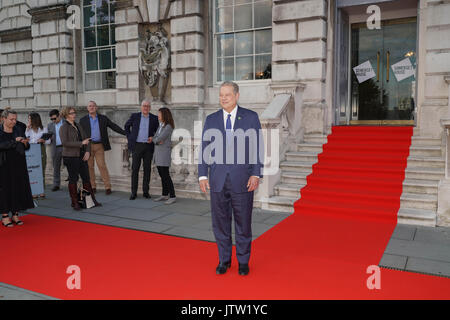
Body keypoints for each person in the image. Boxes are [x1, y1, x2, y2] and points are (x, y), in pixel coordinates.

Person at [198, 81, 263, 276]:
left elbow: (257, 147)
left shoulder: (251, 117)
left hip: (242, 180)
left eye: (227, 94)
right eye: (221, 95)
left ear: (237, 96)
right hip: (217, 181)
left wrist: (255, 173)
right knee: (220, 223)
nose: (223, 98)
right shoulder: (211, 119)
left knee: (243, 222)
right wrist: (202, 174)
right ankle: (224, 260)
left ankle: (243, 261)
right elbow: (204, 149)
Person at [80, 101, 126, 195]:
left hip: (99, 146)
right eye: (90, 106)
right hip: (88, 146)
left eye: (93, 106)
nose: (92, 107)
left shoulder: (103, 118)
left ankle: (107, 187)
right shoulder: (83, 120)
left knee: (102, 165)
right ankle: (92, 186)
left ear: (96, 108)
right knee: (89, 167)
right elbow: (80, 134)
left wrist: (126, 133)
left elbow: (113, 126)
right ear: (87, 108)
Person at [59, 107, 101, 210]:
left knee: (86, 178)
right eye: (71, 113)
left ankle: (92, 200)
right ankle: (75, 202)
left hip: (82, 156)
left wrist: (87, 151)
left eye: (74, 112)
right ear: (66, 115)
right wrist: (81, 143)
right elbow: (65, 143)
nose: (74, 114)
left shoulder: (78, 125)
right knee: (73, 179)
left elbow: (87, 139)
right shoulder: (64, 127)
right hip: (70, 157)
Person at [0, 109, 34, 227]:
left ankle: (15, 214)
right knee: (4, 189)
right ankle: (5, 216)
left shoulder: (18, 129)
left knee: (17, 188)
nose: (14, 122)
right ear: (4, 119)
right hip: (3, 165)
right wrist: (15, 141)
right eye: (11, 119)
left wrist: (25, 143)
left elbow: (26, 146)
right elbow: (2, 145)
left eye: (15, 119)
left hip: (19, 164)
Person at [124, 99, 159, 200]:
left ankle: (145, 192)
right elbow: (126, 126)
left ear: (150, 108)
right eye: (144, 106)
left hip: (148, 147)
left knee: (147, 169)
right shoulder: (135, 116)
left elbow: (158, 131)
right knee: (135, 169)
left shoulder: (154, 118)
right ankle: (133, 193)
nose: (146, 108)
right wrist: (130, 137)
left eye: (148, 106)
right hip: (137, 146)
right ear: (141, 107)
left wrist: (153, 137)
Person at [153, 107, 176, 204]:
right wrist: (156, 140)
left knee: (166, 175)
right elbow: (156, 138)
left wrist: (156, 140)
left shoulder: (168, 127)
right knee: (162, 175)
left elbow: (158, 139)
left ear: (164, 115)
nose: (158, 115)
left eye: (159, 114)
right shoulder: (161, 125)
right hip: (158, 153)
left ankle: (172, 196)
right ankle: (164, 194)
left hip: (164, 154)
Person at [25, 112, 50, 199]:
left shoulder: (43, 129)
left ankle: (41, 191)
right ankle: (34, 191)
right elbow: (25, 141)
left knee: (41, 170)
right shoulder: (28, 129)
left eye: (30, 119)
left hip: (41, 149)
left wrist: (43, 140)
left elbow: (48, 141)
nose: (28, 120)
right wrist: (27, 130)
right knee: (32, 171)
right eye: (28, 119)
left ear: (34, 119)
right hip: (31, 150)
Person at [47, 109, 64, 192]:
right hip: (55, 148)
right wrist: (49, 139)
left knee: (71, 164)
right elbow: (48, 139)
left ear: (59, 116)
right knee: (56, 167)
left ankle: (74, 182)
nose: (53, 120)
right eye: (51, 119)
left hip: (66, 147)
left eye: (54, 118)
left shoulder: (66, 123)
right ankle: (56, 184)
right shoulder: (50, 125)